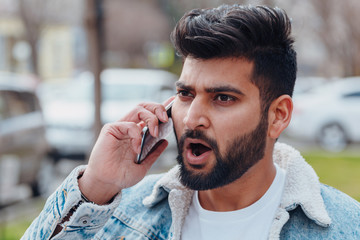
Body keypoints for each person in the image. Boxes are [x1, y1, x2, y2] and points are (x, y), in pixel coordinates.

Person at [23, 4, 360, 240]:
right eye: (185, 95)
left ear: (278, 115)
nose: (193, 118)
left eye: (223, 98)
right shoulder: (123, 212)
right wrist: (96, 185)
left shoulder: (345, 228)